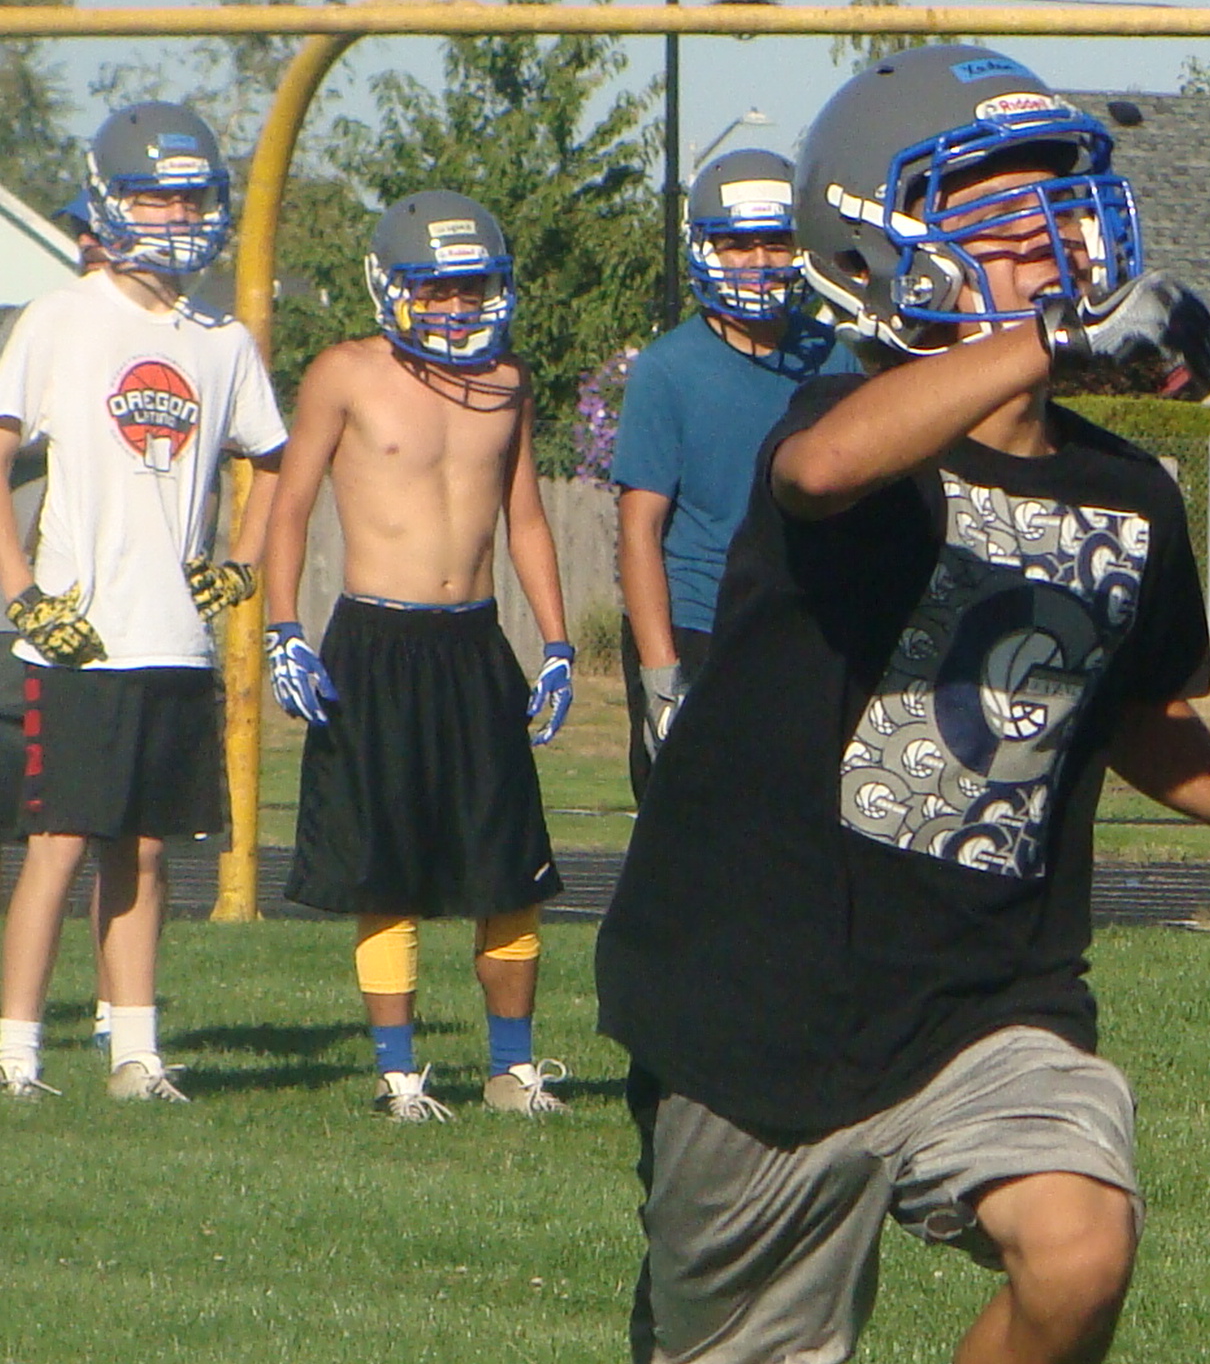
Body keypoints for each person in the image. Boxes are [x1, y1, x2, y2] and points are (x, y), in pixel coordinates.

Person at [597, 44, 1210, 1364]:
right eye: (993, 220)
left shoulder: (1130, 495)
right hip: (761, 997)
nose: (1044, 244)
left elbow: (1122, 706)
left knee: (1080, 1251)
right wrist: (1031, 346)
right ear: (878, 255)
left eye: (1054, 209)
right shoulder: (838, 427)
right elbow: (828, 465)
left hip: (986, 988)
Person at [263, 192, 577, 1120]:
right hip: (375, 641)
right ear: (392, 288)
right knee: (386, 868)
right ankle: (398, 1075)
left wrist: (558, 643)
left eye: (471, 287)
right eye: (435, 289)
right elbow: (289, 506)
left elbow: (527, 519)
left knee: (507, 864)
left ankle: (512, 1069)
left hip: (475, 642)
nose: (455, 306)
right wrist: (284, 627)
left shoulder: (508, 380)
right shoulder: (344, 373)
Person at [0, 101, 285, 1101]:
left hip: (172, 635)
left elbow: (272, 458)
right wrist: (21, 592)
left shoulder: (222, 339)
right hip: (78, 635)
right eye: (157, 198)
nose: (178, 218)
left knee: (147, 850)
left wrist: (242, 562)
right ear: (111, 202)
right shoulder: (61, 318)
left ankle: (135, 1052)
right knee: (58, 845)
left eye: (193, 199)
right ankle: (15, 1053)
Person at [613, 147, 852, 801]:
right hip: (701, 627)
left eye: (775, 243)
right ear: (705, 249)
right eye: (738, 245)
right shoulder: (667, 369)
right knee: (690, 832)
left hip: (802, 625)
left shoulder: (834, 356)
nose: (759, 261)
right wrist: (660, 674)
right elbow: (639, 530)